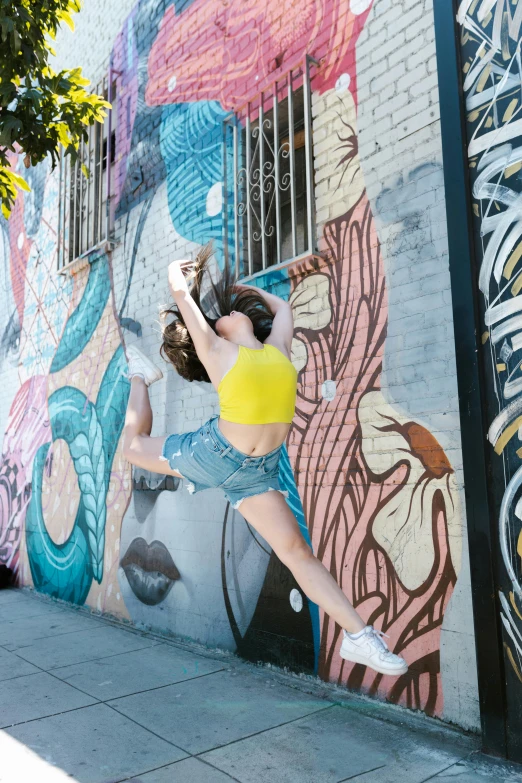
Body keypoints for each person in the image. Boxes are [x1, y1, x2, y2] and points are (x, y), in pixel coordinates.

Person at [122, 244, 408, 677]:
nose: (225, 316)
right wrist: (177, 272)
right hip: (215, 453)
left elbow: (282, 308)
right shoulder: (218, 353)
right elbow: (181, 294)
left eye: (232, 311)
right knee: (133, 447)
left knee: (296, 551)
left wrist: (250, 291)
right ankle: (140, 375)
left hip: (256, 474)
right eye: (219, 317)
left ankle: (358, 636)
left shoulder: (276, 348)